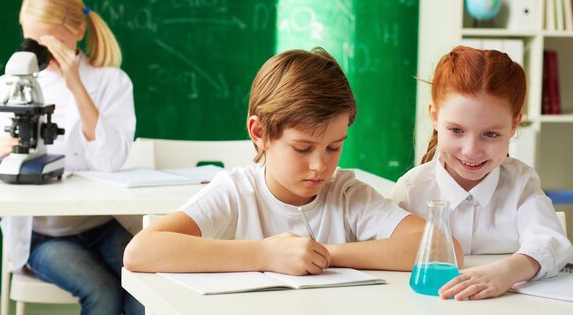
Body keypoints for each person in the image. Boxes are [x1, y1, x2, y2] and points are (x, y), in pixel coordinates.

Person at [124, 47, 463, 275]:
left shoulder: (346, 194)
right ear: (260, 133)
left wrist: (326, 254)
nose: (320, 166)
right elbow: (140, 251)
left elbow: (445, 250)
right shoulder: (237, 192)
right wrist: (265, 255)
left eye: (334, 147)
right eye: (302, 148)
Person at [0, 0, 143, 315]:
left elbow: (109, 162)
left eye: (49, 43)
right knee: (103, 293)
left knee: (143, 286)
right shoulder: (13, 85)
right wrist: (2, 148)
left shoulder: (111, 81)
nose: (39, 53)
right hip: (44, 234)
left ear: (79, 30)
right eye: (32, 42)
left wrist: (76, 86)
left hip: (102, 223)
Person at [390, 45, 573, 301]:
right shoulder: (412, 190)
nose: (471, 150)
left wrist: (507, 271)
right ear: (434, 115)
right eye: (456, 130)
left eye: (491, 134)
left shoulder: (521, 184)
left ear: (514, 124)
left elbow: (551, 242)